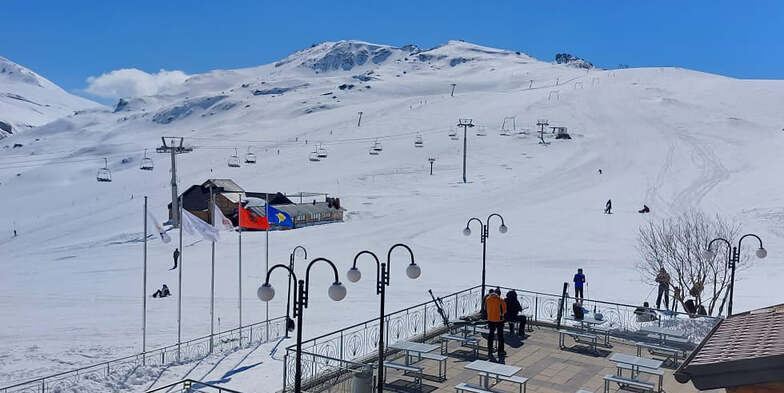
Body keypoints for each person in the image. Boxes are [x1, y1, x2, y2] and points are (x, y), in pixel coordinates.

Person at [484, 288, 507, 358]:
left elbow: (485, 308)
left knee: (491, 335)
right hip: (499, 320)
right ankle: (501, 351)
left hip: (490, 319)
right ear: (499, 293)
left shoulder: (488, 299)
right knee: (500, 336)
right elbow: (504, 311)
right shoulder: (501, 300)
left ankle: (490, 350)